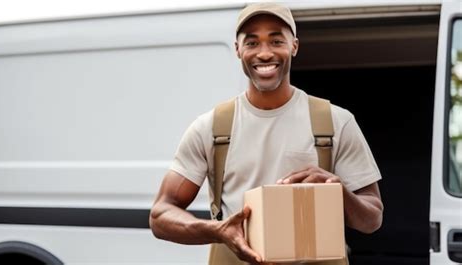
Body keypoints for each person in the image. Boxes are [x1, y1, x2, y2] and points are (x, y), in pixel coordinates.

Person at [150, 2, 383, 264]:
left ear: (293, 46)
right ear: (237, 50)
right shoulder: (211, 128)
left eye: (276, 41)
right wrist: (217, 231)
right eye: (252, 43)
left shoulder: (335, 122)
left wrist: (339, 192)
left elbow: (372, 219)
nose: (264, 53)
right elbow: (160, 215)